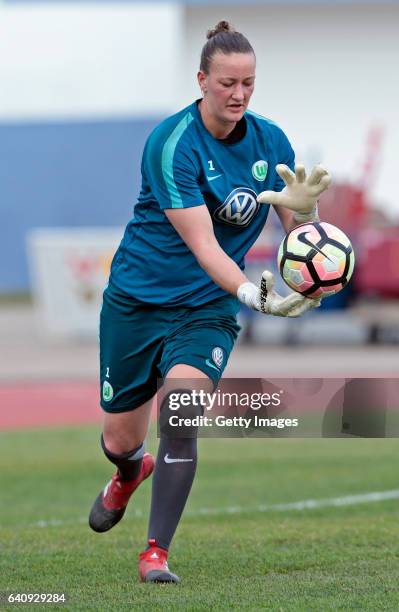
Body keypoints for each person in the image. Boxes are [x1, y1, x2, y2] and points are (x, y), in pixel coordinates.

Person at [88, 20, 331, 583]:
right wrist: (253, 293)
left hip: (206, 309)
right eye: (227, 83)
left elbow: (301, 237)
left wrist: (313, 218)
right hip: (137, 301)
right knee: (118, 439)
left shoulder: (272, 141)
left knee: (181, 410)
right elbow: (202, 244)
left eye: (248, 82)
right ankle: (128, 473)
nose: (239, 94)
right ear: (202, 80)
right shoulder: (170, 143)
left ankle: (156, 553)